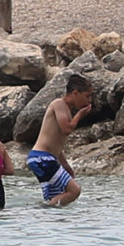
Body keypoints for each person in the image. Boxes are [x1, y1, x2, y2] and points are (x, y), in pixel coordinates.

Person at [27, 75, 89, 207]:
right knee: (74, 191)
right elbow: (66, 129)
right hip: (42, 158)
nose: (89, 101)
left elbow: (56, 141)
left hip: (45, 158)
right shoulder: (59, 104)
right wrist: (80, 115)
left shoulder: (66, 110)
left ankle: (50, 222)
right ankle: (43, 210)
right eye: (87, 96)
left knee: (57, 198)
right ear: (75, 93)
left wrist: (65, 164)